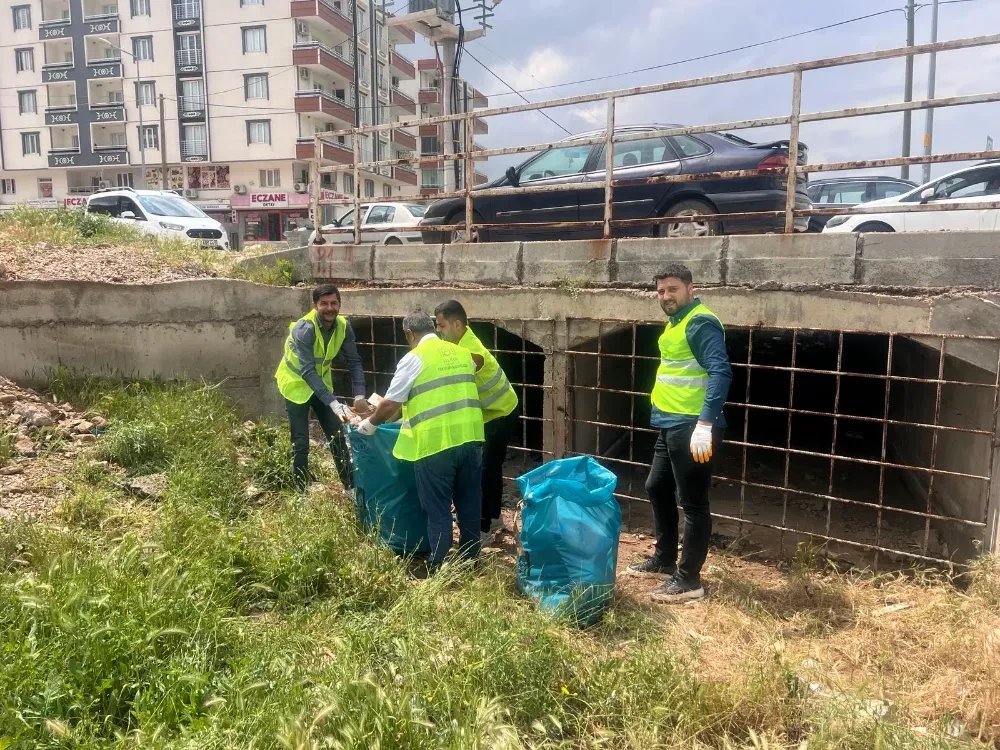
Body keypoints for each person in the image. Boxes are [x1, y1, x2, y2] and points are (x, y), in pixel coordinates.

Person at [627, 264, 732, 603]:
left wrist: (705, 423)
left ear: (690, 288)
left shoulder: (700, 322)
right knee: (656, 486)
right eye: (660, 291)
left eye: (672, 289)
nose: (665, 296)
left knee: (694, 503)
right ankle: (664, 557)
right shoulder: (676, 322)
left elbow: (720, 372)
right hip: (671, 422)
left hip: (692, 426)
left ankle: (689, 580)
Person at [357, 312, 485, 575]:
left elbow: (391, 403)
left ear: (409, 334)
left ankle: (437, 566)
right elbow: (472, 368)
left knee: (437, 507)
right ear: (434, 328)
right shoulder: (461, 353)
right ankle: (470, 560)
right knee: (469, 501)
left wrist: (370, 424)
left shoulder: (413, 358)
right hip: (472, 438)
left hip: (436, 444)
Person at [433, 300, 519, 543]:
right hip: (497, 410)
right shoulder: (459, 342)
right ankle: (493, 518)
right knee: (492, 468)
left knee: (484, 471)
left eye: (441, 326)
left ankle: (483, 529)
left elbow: (458, 377)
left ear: (457, 324)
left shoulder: (471, 352)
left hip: (499, 412)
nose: (438, 331)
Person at [274, 284, 370, 491]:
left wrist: (360, 394)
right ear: (315, 305)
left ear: (340, 304)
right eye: (324, 304)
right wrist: (335, 404)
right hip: (295, 385)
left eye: (334, 303)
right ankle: (300, 492)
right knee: (300, 443)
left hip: (321, 385)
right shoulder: (305, 329)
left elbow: (354, 361)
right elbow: (307, 371)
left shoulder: (343, 326)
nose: (329, 308)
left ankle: (350, 488)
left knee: (336, 437)